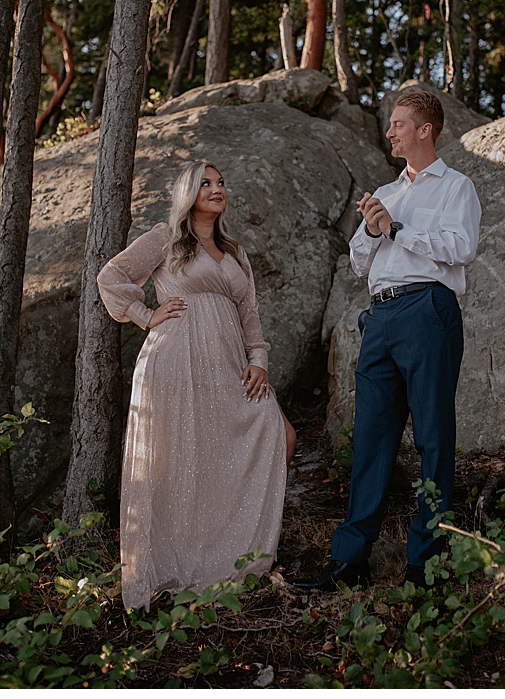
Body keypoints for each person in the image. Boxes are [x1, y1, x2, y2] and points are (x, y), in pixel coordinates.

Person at [295, 89, 481, 592]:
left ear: (426, 130)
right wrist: (376, 228)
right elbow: (359, 261)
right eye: (391, 123)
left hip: (428, 310)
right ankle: (350, 560)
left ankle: (427, 561)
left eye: (400, 123)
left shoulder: (456, 187)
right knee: (371, 439)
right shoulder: (386, 190)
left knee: (433, 436)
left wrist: (395, 229)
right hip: (379, 316)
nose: (391, 130)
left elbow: (461, 248)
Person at [98, 160, 295, 610]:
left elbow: (250, 314)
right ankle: (173, 566)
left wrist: (259, 360)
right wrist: (146, 315)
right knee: (178, 459)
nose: (217, 188)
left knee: (279, 432)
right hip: (175, 360)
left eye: (221, 182)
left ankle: (234, 557)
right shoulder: (165, 238)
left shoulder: (235, 250)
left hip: (227, 364)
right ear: (188, 192)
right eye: (206, 182)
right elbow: (111, 276)